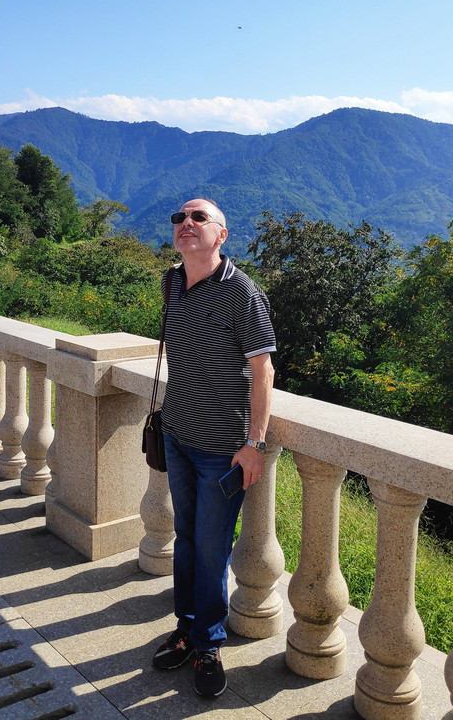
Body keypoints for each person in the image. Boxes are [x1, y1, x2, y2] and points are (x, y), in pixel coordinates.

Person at [151, 197, 276, 698]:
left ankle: (208, 643)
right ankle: (185, 628)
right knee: (185, 537)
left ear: (222, 234)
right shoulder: (172, 281)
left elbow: (263, 370)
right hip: (177, 434)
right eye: (179, 218)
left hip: (222, 448)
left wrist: (254, 444)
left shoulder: (243, 292)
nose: (186, 224)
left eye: (199, 218)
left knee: (211, 549)